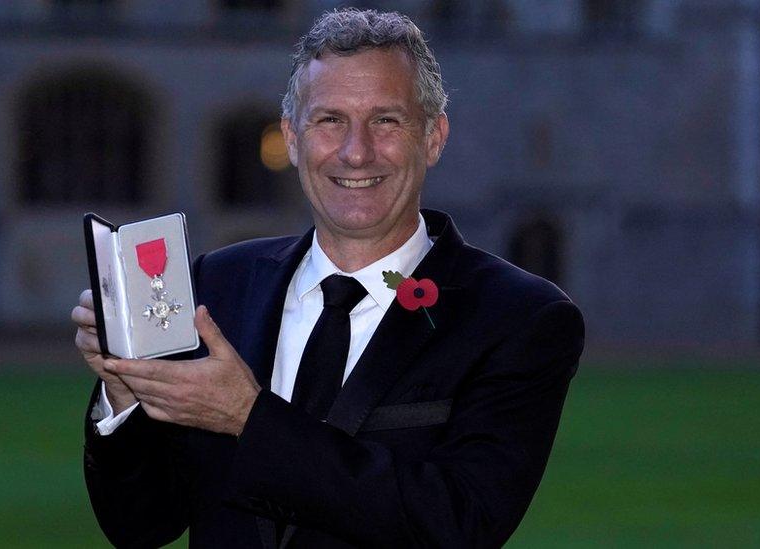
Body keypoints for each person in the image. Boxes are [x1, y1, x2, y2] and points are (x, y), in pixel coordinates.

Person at [72, 9, 584, 548]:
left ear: (433, 138)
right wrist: (124, 392)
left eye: (386, 120)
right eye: (330, 120)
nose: (356, 151)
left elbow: (457, 521)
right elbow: (141, 524)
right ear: (292, 138)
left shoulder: (519, 318)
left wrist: (249, 418)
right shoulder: (217, 284)